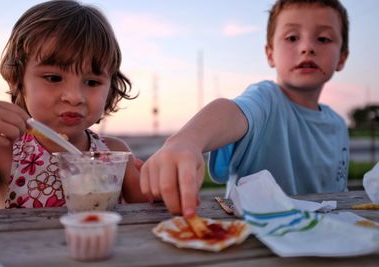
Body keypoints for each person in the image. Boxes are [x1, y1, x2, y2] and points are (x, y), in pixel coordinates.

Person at [140, 0, 350, 216]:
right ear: (270, 54)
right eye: (292, 38)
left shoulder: (338, 124)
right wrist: (187, 141)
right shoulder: (267, 99)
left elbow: (338, 195)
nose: (307, 48)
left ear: (342, 58)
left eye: (323, 38)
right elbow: (232, 111)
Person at [0, 0, 147, 208]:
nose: (75, 96)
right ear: (19, 80)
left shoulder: (113, 154)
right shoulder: (3, 152)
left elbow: (149, 202)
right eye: (53, 78)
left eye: (92, 82)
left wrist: (165, 178)